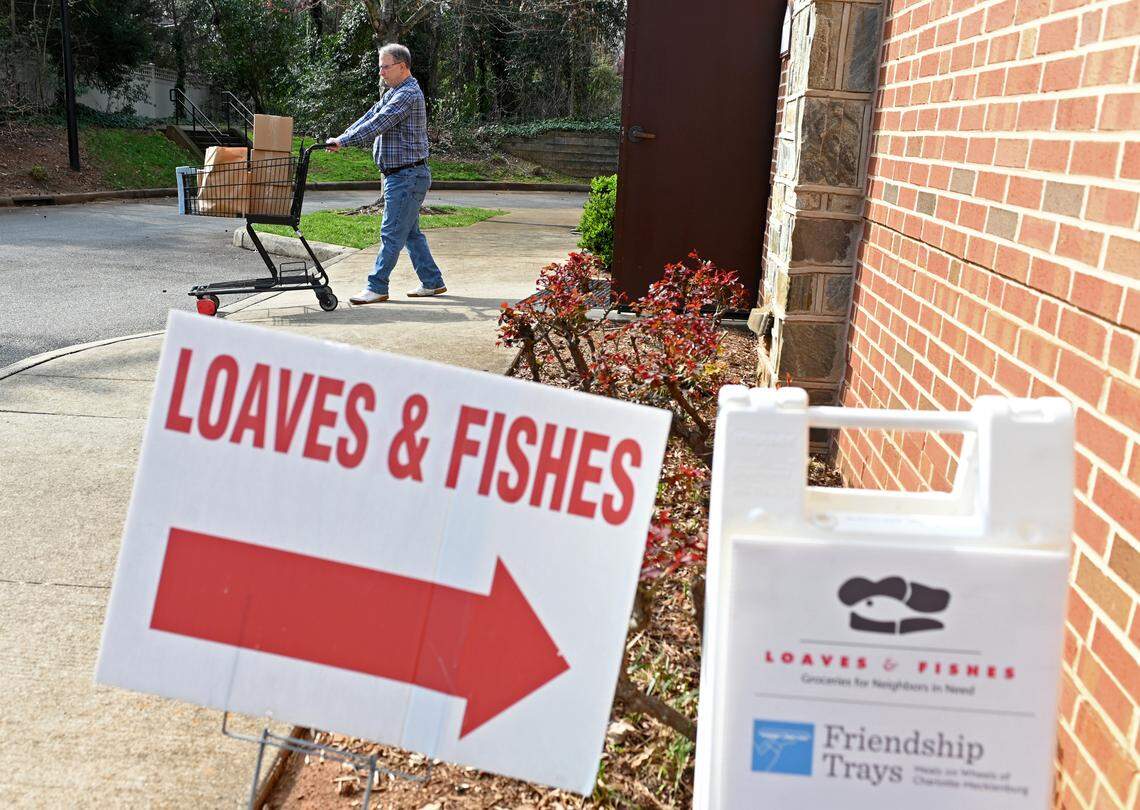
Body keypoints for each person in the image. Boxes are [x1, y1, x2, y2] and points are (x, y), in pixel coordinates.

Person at [326, 43, 446, 305]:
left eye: (385, 66)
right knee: (410, 233)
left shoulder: (408, 94)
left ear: (402, 66)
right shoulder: (394, 92)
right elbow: (369, 116)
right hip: (402, 175)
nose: (381, 71)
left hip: (407, 176)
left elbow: (380, 123)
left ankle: (377, 286)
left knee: (391, 232)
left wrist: (344, 142)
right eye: (380, 66)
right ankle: (432, 281)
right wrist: (341, 137)